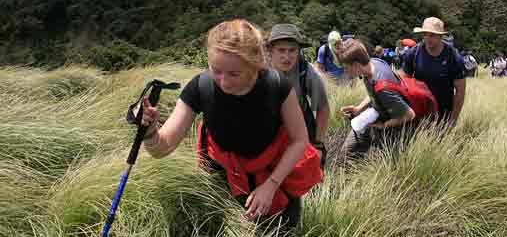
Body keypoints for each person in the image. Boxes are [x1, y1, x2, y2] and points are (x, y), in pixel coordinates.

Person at [140, 19, 322, 230]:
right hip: (224, 181)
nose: (224, 82)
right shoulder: (200, 87)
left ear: (255, 65)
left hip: (277, 179)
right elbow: (162, 148)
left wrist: (270, 186)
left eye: (234, 74)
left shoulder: (276, 86)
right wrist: (149, 131)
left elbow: (300, 141)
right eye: (216, 70)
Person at [338, 39, 417, 160]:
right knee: (347, 154)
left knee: (354, 158)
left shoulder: (383, 88)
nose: (345, 71)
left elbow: (409, 115)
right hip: (376, 115)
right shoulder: (373, 63)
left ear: (356, 65)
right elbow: (374, 93)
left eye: (346, 67)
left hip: (393, 130)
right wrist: (358, 108)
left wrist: (384, 125)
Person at [267, 23, 330, 165]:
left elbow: (323, 108)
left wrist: (318, 145)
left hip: (302, 130)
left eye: (292, 50)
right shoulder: (259, 72)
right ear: (271, 50)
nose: (287, 56)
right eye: (281, 50)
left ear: (299, 50)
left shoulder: (305, 71)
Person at [401, 17, 466, 127]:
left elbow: (460, 91)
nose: (427, 38)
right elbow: (403, 83)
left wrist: (453, 120)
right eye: (425, 34)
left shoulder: (453, 57)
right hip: (419, 111)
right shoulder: (413, 54)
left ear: (441, 36)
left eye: (432, 35)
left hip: (443, 114)